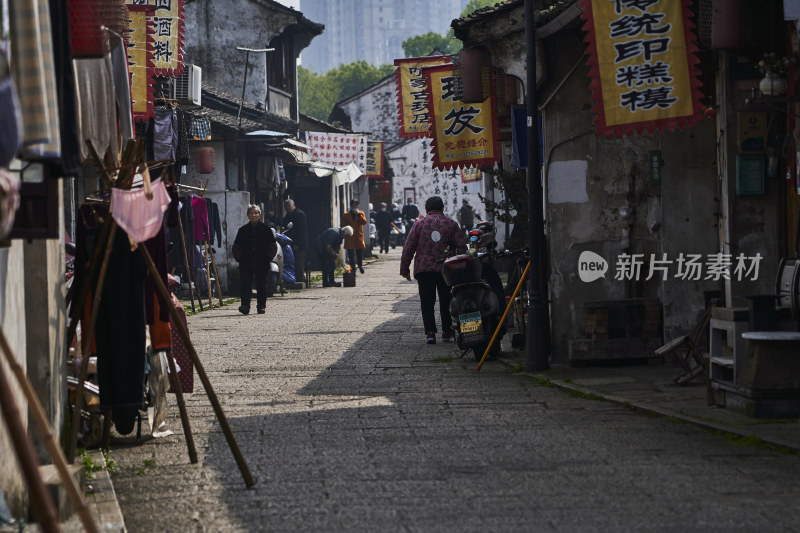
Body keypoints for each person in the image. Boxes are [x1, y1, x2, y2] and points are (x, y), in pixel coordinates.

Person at [400, 196, 466, 344]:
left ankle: (430, 333)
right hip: (446, 269)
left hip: (424, 269)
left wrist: (404, 269)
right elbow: (462, 247)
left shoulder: (419, 224)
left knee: (427, 301)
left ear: (426, 209)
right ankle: (447, 332)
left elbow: (408, 247)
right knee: (446, 300)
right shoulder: (451, 223)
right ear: (442, 208)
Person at [232, 205, 277, 315]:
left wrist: (268, 257)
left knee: (261, 285)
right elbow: (236, 246)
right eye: (251, 213)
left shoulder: (266, 229)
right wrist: (240, 258)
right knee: (245, 285)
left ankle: (261, 306)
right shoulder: (242, 230)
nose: (253, 215)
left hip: (262, 262)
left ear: (260, 215)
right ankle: (245, 306)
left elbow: (272, 246)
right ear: (248, 215)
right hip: (246, 262)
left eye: (256, 213)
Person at [282, 199, 308, 286]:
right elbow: (283, 222)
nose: (288, 208)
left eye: (289, 205)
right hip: (291, 243)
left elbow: (301, 231)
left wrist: (298, 244)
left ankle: (300, 282)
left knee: (299, 264)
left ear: (293, 205)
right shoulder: (289, 215)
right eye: (286, 206)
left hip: (299, 244)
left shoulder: (299, 214)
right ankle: (293, 281)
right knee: (292, 263)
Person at [342, 199, 368, 274]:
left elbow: (364, 222)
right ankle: (352, 267)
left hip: (358, 236)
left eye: (356, 205)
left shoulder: (361, 213)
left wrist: (359, 215)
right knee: (350, 253)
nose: (354, 206)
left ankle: (360, 266)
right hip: (350, 236)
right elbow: (343, 225)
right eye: (353, 205)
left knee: (359, 253)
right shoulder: (346, 214)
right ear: (350, 205)